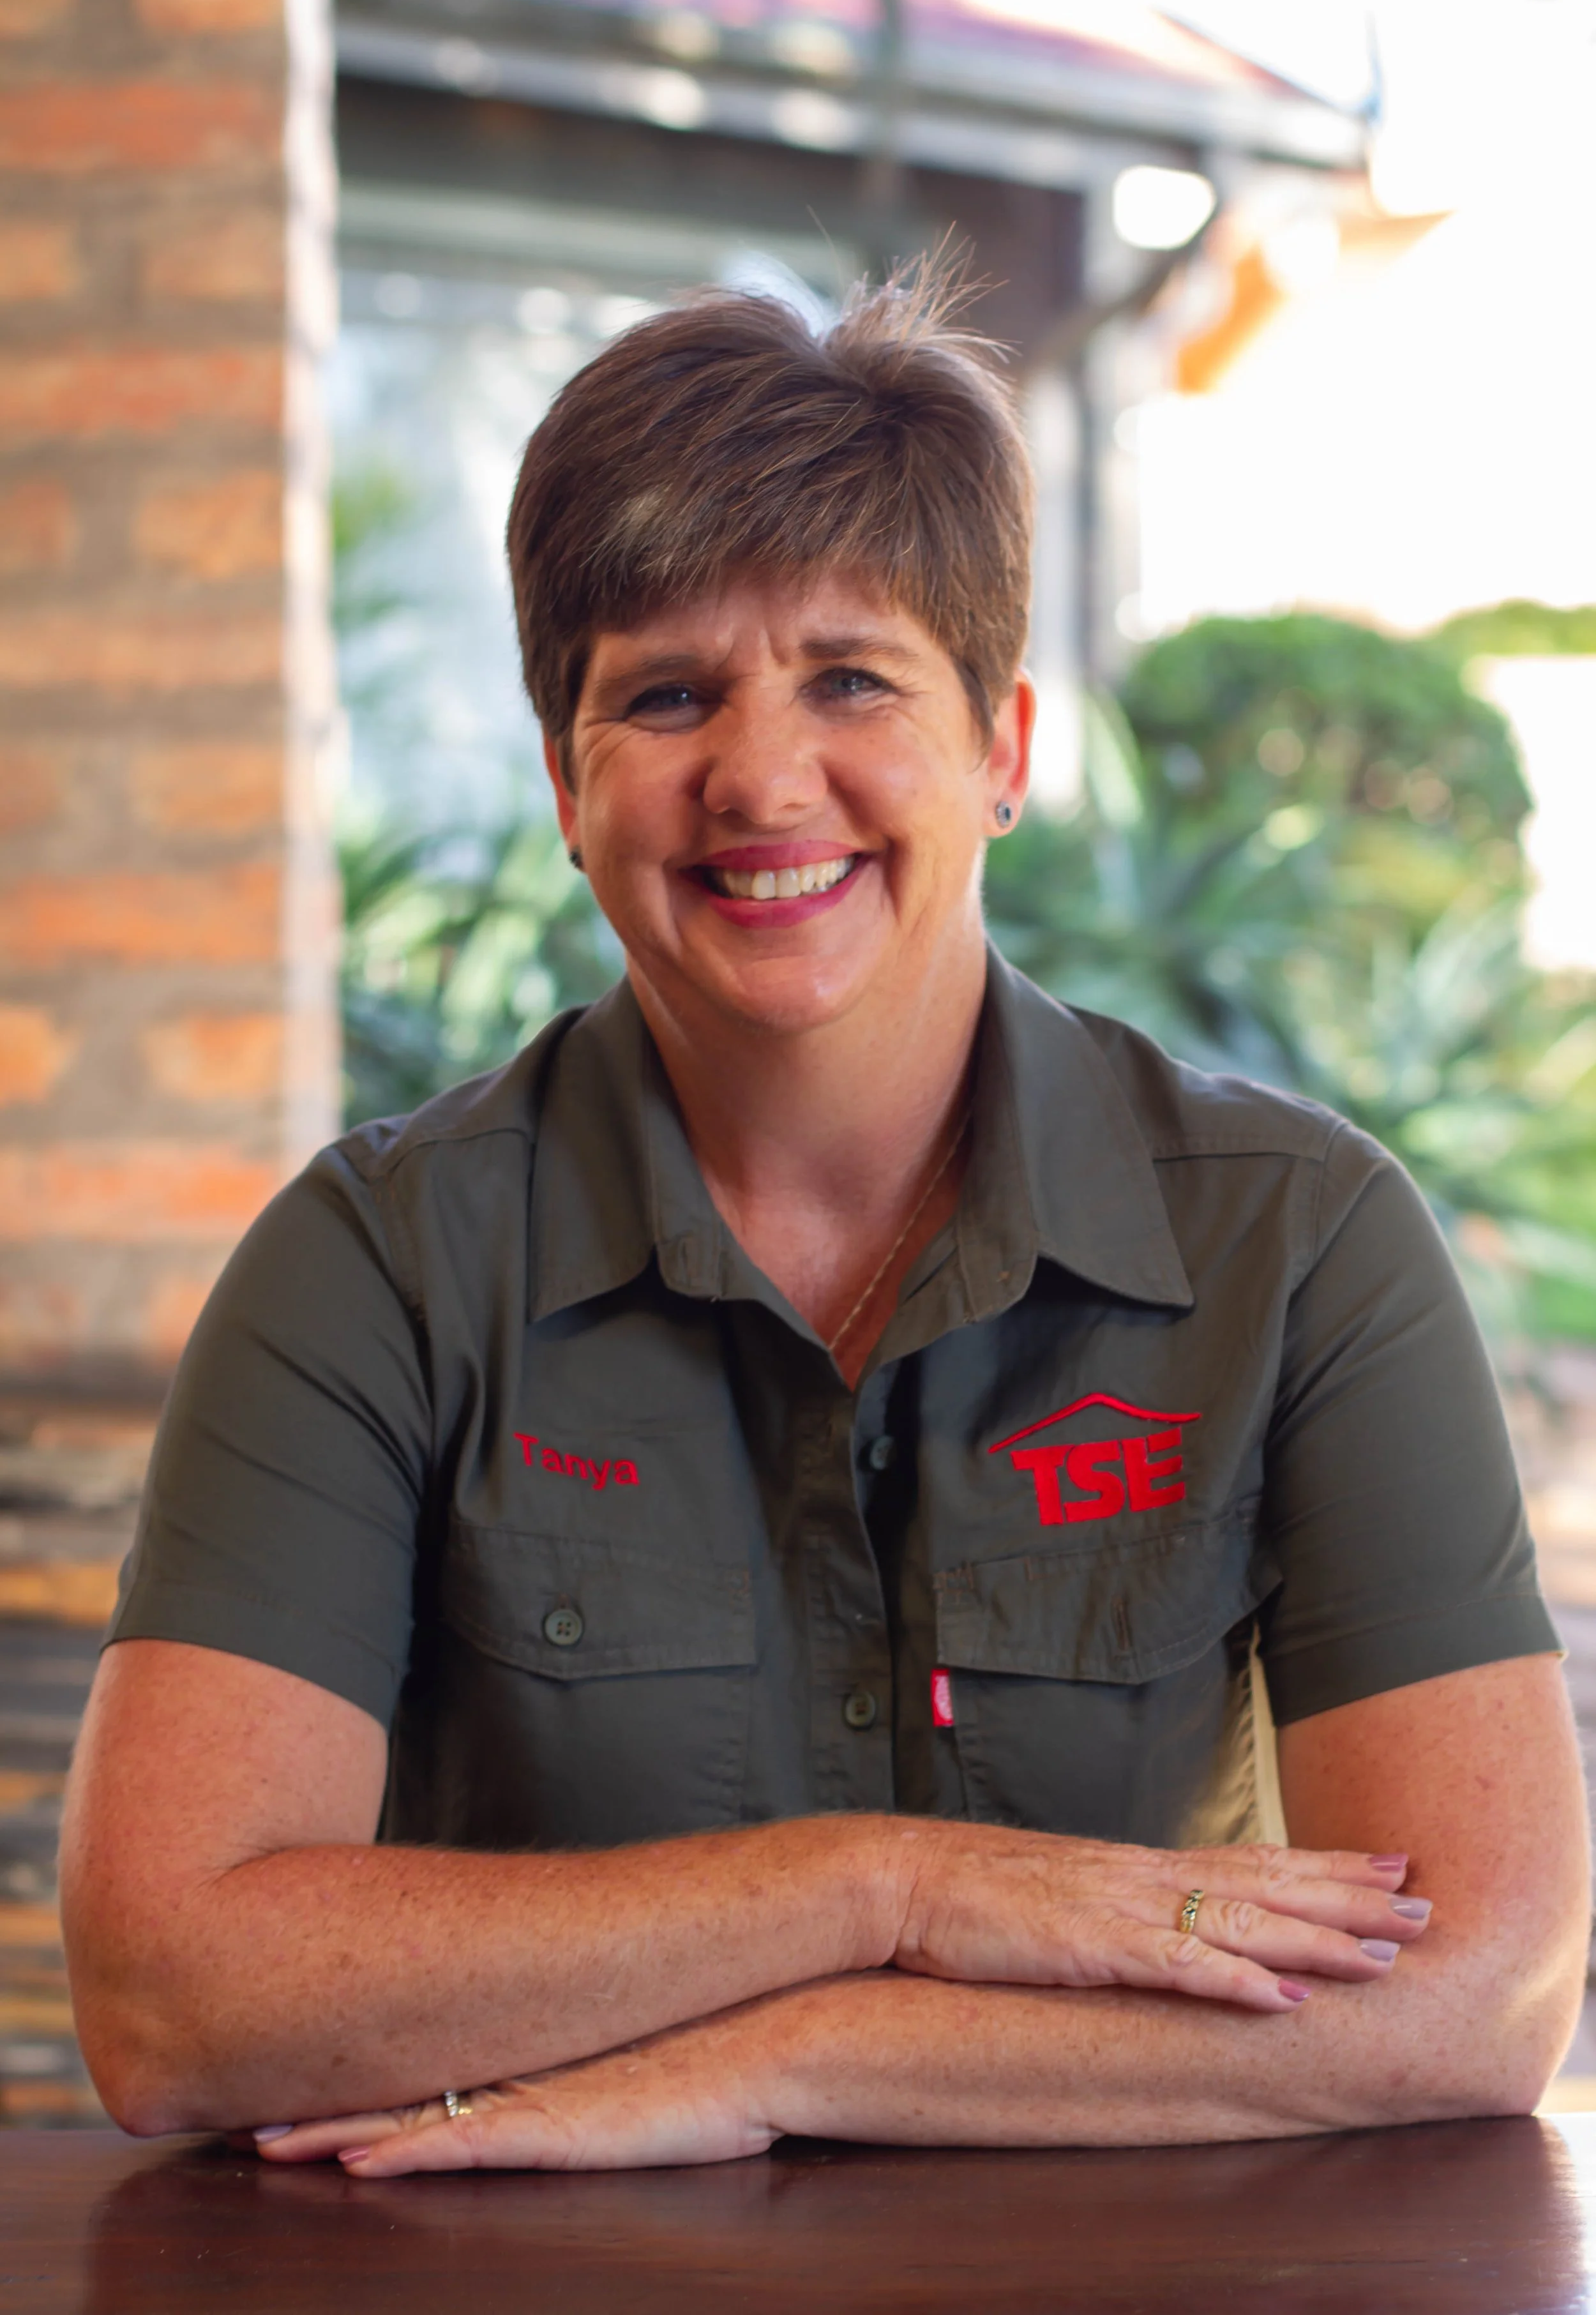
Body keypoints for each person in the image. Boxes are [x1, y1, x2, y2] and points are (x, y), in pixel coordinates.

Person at [61, 274, 1588, 2175]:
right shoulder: (374, 1264)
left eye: (852, 678)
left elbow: (1487, 1988)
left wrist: (793, 2057)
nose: (763, 779)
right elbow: (172, 1998)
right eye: (667, 694)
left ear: (1003, 746)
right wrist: (886, 1885)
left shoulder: (1303, 1242)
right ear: (566, 783)